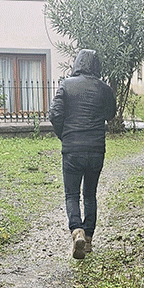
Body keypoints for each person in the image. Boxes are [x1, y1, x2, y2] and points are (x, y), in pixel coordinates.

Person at [49, 49, 117, 260]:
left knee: (71, 194)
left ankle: (76, 230)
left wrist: (65, 136)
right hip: (96, 149)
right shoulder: (104, 89)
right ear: (96, 66)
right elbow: (111, 115)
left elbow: (54, 115)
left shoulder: (66, 85)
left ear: (77, 63)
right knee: (90, 194)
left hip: (72, 150)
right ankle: (87, 240)